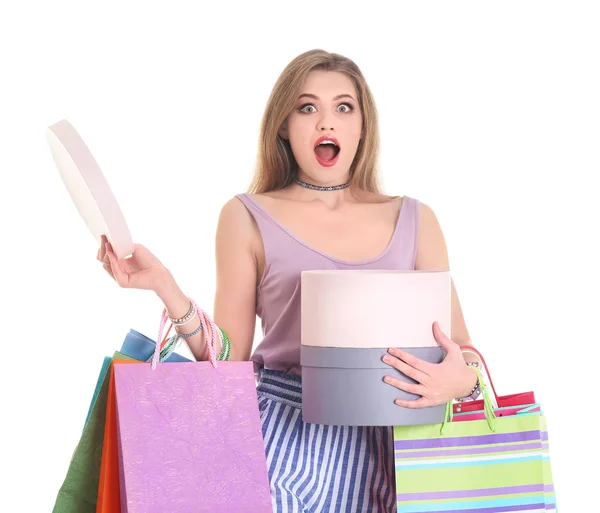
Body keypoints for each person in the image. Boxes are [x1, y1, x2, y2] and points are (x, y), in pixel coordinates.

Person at [97, 49, 482, 513]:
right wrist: (165, 286)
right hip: (284, 432)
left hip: (401, 437)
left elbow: (465, 351)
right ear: (284, 124)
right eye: (307, 107)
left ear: (363, 125)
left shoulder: (417, 219)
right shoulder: (245, 215)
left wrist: (457, 382)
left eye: (344, 107)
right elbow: (230, 359)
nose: (327, 123)